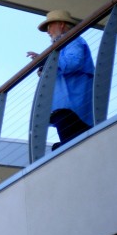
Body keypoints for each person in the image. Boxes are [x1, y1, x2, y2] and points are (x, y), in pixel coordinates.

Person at [27, 10, 95, 149]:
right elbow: (60, 65)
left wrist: (46, 61)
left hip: (73, 108)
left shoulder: (73, 40)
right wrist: (45, 66)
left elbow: (73, 63)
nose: (48, 32)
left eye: (49, 26)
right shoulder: (60, 47)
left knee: (73, 146)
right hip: (63, 107)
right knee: (68, 146)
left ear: (62, 25)